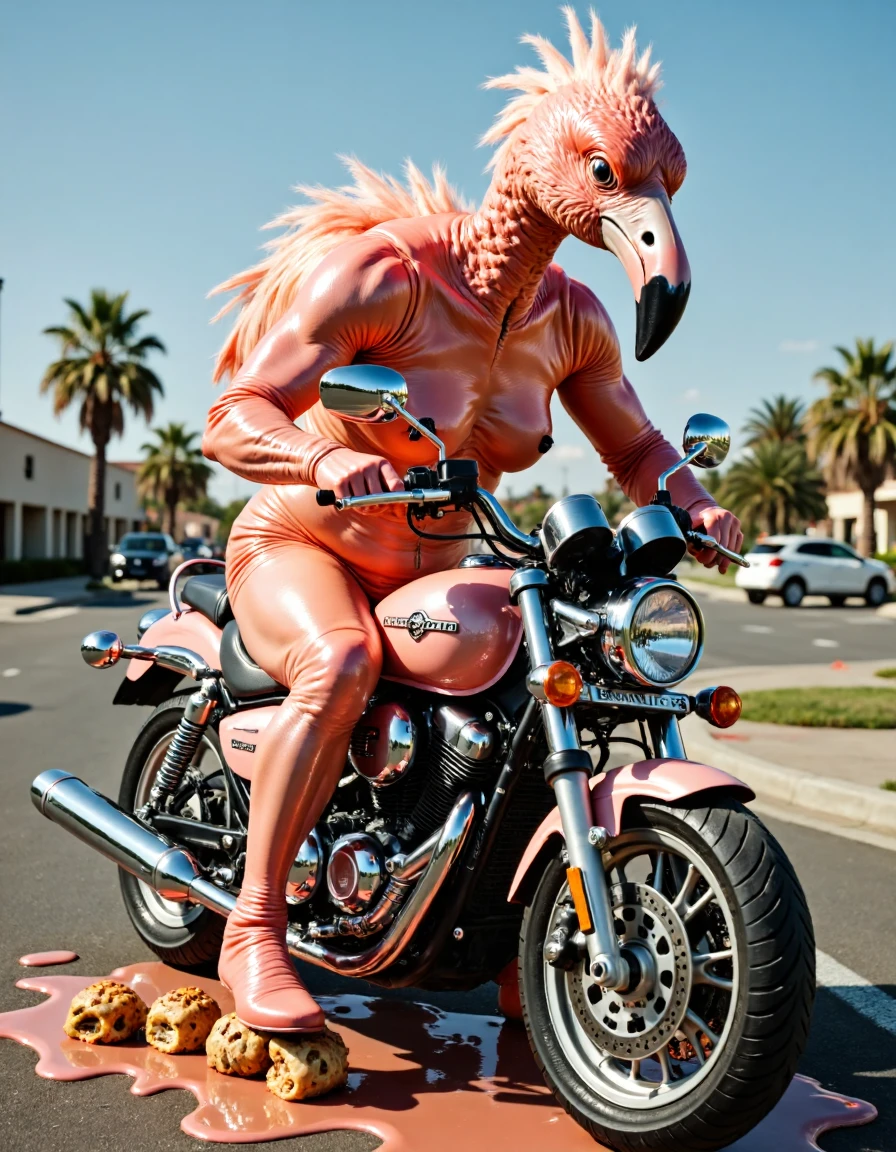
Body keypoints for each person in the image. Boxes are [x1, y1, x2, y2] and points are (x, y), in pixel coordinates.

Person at [202, 11, 743, 1033]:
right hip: (302, 543)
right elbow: (232, 415)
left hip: (434, 570)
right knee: (339, 663)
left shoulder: (570, 318)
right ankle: (254, 929)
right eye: (610, 177)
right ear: (548, 154)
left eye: (656, 193)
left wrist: (692, 496)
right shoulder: (387, 275)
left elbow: (634, 450)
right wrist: (323, 455)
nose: (644, 216)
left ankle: (514, 937)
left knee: (539, 683)